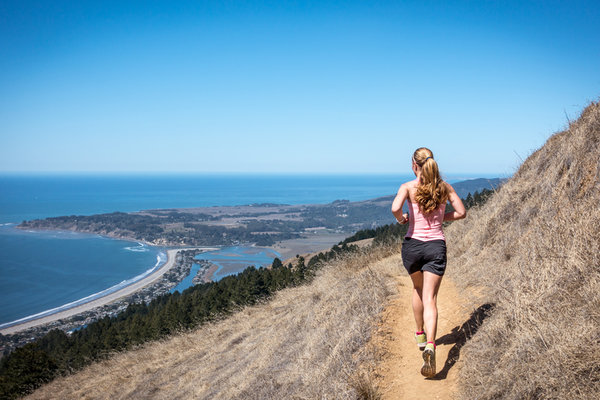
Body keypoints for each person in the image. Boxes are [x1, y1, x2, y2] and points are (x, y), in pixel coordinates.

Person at [391, 147, 466, 378]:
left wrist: (403, 218)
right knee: (430, 298)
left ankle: (420, 336)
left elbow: (395, 208)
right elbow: (462, 212)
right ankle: (432, 345)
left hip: (412, 246)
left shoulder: (408, 187)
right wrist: (441, 217)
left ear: (414, 165)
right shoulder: (444, 187)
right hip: (435, 246)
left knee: (417, 289)